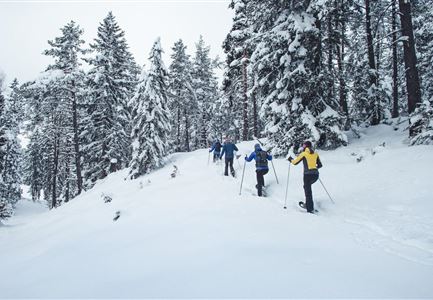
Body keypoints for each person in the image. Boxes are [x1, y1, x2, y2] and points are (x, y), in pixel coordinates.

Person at [288, 141, 323, 213]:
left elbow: (295, 162)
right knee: (307, 188)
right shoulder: (315, 154)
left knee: (308, 191)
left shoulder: (304, 154)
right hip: (316, 175)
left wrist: (290, 159)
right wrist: (314, 168)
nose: (303, 146)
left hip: (307, 175)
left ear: (306, 146)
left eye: (303, 145)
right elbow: (320, 165)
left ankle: (309, 208)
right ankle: (308, 204)